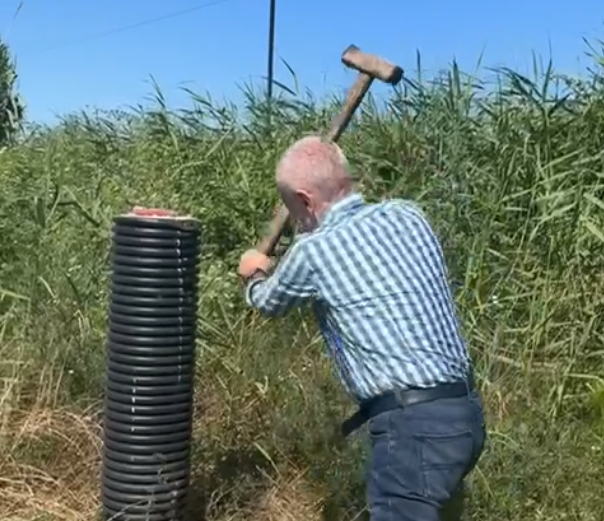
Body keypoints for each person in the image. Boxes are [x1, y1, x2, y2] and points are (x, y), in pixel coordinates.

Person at [238, 135, 486, 521]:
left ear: (304, 201)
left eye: (293, 208)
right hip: (464, 414)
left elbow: (269, 301)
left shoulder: (313, 252)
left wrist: (253, 273)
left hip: (412, 429)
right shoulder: (408, 215)